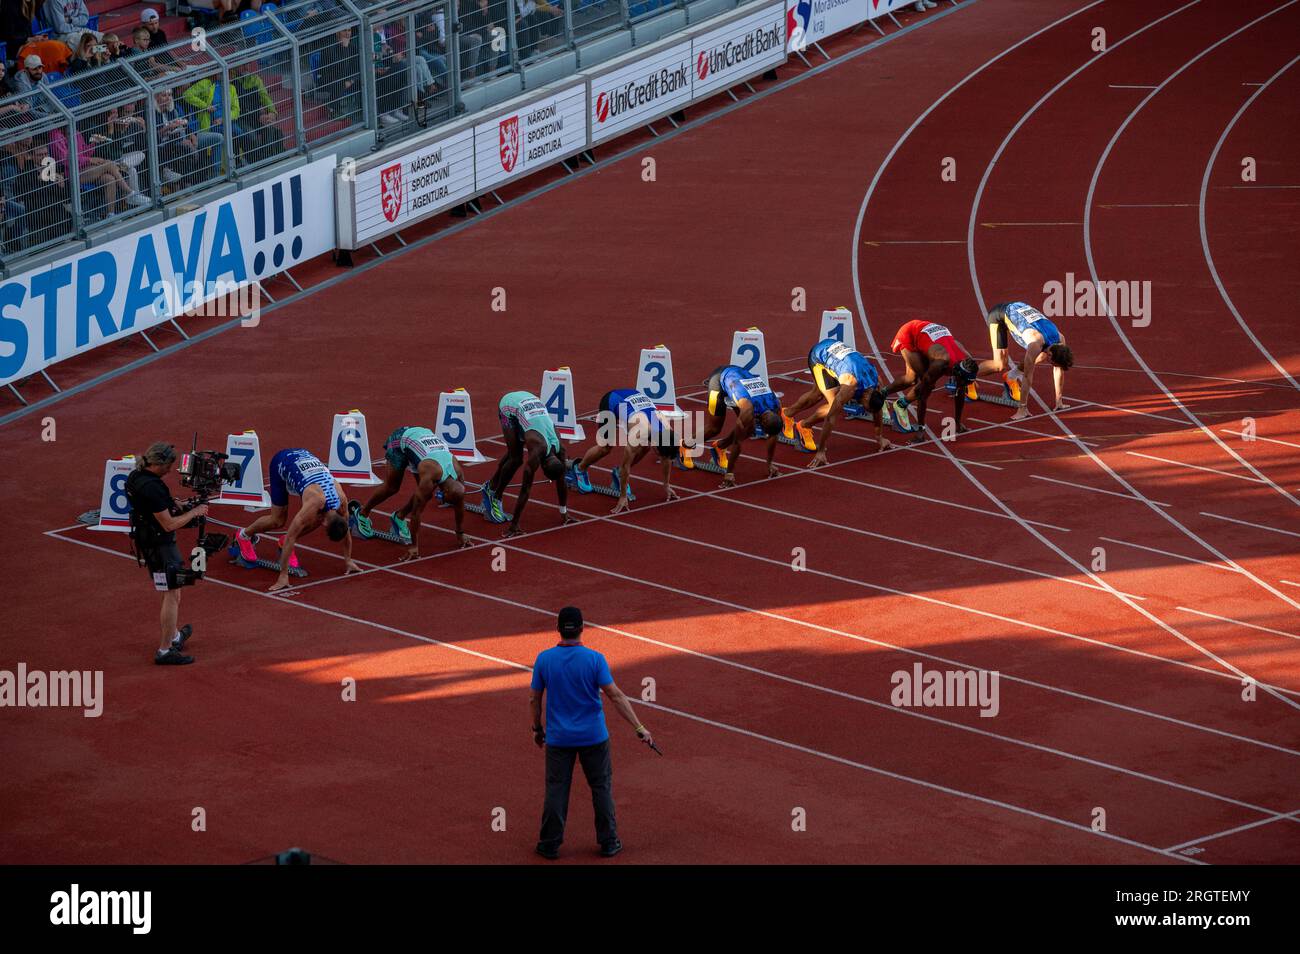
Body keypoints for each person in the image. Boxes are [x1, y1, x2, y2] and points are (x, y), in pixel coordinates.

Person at [530, 606, 654, 860]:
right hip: (594, 737)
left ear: (558, 629)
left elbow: (534, 699)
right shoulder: (595, 659)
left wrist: (537, 728)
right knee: (601, 788)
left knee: (556, 789)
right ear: (582, 628)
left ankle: (549, 844)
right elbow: (616, 696)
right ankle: (609, 842)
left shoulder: (544, 659)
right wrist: (639, 728)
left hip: (559, 738)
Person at [124, 442, 207, 665]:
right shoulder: (153, 487)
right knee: (171, 594)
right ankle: (165, 649)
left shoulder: (135, 476)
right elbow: (169, 524)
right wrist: (195, 512)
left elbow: (152, 507)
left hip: (148, 542)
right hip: (160, 547)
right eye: (169, 465)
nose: (171, 470)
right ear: (159, 463)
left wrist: (174, 503)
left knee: (173, 592)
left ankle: (174, 636)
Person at [234, 447, 360, 591]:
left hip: (304, 458)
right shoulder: (314, 502)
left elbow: (346, 532)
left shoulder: (341, 500)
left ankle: (281, 544)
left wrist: (348, 560)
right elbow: (291, 537)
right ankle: (243, 535)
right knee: (278, 520)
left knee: (310, 521)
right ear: (325, 524)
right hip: (282, 462)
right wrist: (283, 575)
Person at [353, 425, 472, 557]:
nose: (444, 502)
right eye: (448, 500)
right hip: (400, 440)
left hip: (422, 445)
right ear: (447, 490)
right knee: (393, 487)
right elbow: (416, 513)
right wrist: (414, 546)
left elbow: (459, 504)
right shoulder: (430, 473)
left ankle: (399, 517)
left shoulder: (458, 475)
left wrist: (460, 533)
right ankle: (362, 514)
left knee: (425, 496)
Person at [783, 338, 891, 467]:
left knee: (817, 394)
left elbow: (877, 409)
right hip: (819, 356)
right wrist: (821, 451)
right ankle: (805, 425)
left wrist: (879, 437)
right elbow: (830, 419)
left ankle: (787, 413)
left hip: (837, 353)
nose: (863, 407)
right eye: (865, 406)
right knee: (833, 406)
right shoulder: (850, 386)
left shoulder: (877, 387)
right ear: (866, 397)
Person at [568, 388, 680, 511]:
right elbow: (626, 466)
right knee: (605, 447)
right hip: (612, 401)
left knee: (645, 447)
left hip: (634, 401)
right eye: (659, 455)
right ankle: (579, 468)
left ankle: (617, 473)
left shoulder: (667, 431)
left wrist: (666, 485)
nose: (661, 458)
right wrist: (622, 496)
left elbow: (667, 458)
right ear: (656, 446)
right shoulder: (638, 433)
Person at [485, 390, 576, 536]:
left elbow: (561, 479)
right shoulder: (537, 454)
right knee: (516, 458)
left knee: (514, 451)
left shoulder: (561, 449)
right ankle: (495, 495)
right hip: (508, 405)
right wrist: (514, 525)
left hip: (528, 399)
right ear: (543, 466)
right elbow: (525, 491)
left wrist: (564, 512)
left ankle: (492, 484)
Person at [883, 319, 979, 441]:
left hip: (930, 336)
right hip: (910, 333)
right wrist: (921, 430)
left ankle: (900, 403)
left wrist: (958, 423)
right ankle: (887, 397)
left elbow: (960, 391)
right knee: (914, 381)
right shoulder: (941, 363)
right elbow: (923, 398)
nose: (963, 385)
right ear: (957, 373)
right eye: (963, 381)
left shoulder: (967, 360)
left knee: (927, 383)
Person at [978, 301, 1074, 419]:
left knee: (1041, 356)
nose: (1052, 365)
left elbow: (1059, 370)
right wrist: (1022, 408)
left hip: (1019, 309)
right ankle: (965, 375)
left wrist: (1059, 401)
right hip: (999, 316)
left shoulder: (1060, 339)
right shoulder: (1035, 343)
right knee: (999, 365)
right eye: (1052, 363)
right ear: (1051, 354)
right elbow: (1028, 377)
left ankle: (1011, 376)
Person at [700, 364, 783, 486]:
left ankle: (720, 446)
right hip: (719, 380)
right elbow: (737, 443)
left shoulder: (776, 406)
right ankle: (684, 445)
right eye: (765, 430)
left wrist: (769, 463)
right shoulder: (748, 411)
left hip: (738, 380)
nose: (764, 434)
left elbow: (773, 435)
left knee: (750, 429)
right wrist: (729, 473)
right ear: (764, 421)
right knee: (714, 429)